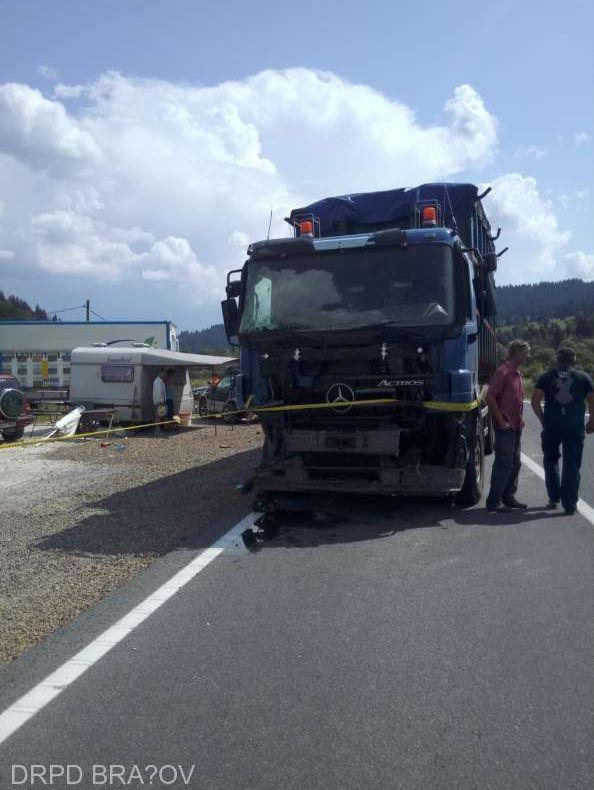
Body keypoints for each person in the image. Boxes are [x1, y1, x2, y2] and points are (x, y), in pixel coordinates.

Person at [530, 346, 594, 515]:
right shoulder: (583, 378)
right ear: (574, 360)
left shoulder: (546, 377)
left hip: (552, 425)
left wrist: (543, 419)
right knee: (572, 464)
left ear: (558, 360)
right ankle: (570, 503)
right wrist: (591, 421)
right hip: (574, 426)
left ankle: (553, 497)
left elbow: (535, 400)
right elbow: (592, 401)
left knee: (550, 460)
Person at [485, 340, 531, 512]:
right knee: (504, 463)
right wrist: (501, 421)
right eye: (525, 352)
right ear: (516, 353)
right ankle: (494, 501)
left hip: (516, 425)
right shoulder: (503, 371)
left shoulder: (517, 372)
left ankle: (508, 497)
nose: (528, 356)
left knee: (515, 462)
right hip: (506, 425)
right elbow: (490, 397)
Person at [152, 368, 167, 433]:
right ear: (161, 373)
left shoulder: (160, 381)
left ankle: (158, 429)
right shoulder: (157, 382)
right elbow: (159, 392)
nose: (165, 374)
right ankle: (157, 430)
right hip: (159, 402)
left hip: (160, 401)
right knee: (157, 416)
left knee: (160, 416)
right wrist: (161, 402)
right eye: (164, 373)